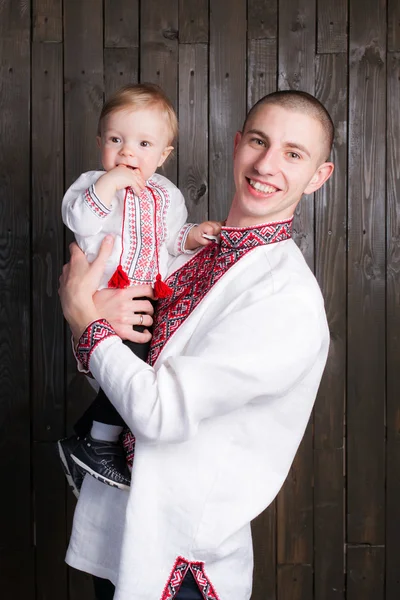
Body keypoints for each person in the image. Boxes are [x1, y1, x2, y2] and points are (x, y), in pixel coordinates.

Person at [58, 90, 335, 600]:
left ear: (319, 176)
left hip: (179, 560)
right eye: (258, 141)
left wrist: (83, 318)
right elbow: (119, 372)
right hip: (119, 529)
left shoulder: (284, 296)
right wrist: (98, 319)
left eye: (294, 154)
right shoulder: (188, 254)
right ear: (237, 145)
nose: (267, 163)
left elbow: (159, 411)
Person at [57, 82, 221, 495]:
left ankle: (83, 439)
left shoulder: (167, 195)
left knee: (142, 372)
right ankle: (96, 443)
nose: (128, 152)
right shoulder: (93, 185)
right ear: (100, 144)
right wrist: (109, 183)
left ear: (163, 155)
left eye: (143, 143)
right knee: (127, 370)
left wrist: (192, 236)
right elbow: (80, 220)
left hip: (149, 298)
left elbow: (169, 241)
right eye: (116, 140)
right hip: (106, 298)